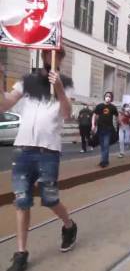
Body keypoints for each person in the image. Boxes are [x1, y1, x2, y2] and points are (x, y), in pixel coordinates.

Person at [0, 49, 77, 271]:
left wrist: (60, 89)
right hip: (23, 150)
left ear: (61, 57)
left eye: (56, 53)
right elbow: (4, 105)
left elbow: (66, 113)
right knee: (22, 200)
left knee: (50, 198)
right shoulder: (27, 81)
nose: (50, 56)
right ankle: (21, 253)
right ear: (40, 54)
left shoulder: (66, 83)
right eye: (46, 52)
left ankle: (69, 226)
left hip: (48, 152)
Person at [92, 91, 119, 168]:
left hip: (108, 129)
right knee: (102, 146)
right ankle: (105, 160)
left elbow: (117, 117)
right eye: (107, 96)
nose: (108, 97)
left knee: (106, 145)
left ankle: (103, 162)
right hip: (100, 129)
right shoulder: (99, 106)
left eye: (109, 96)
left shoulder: (113, 107)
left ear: (111, 98)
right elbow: (94, 115)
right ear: (104, 97)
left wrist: (118, 125)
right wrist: (93, 125)